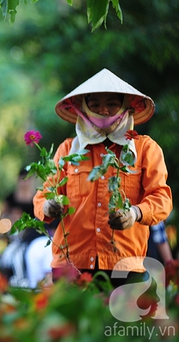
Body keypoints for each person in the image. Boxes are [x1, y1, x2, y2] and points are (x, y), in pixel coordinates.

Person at [33, 68, 173, 287]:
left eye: (112, 103)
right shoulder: (68, 150)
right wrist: (48, 207)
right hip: (71, 264)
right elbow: (43, 195)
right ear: (84, 109)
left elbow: (162, 199)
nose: (104, 110)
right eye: (95, 105)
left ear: (126, 106)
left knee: (119, 322)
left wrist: (136, 213)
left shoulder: (146, 149)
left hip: (125, 264)